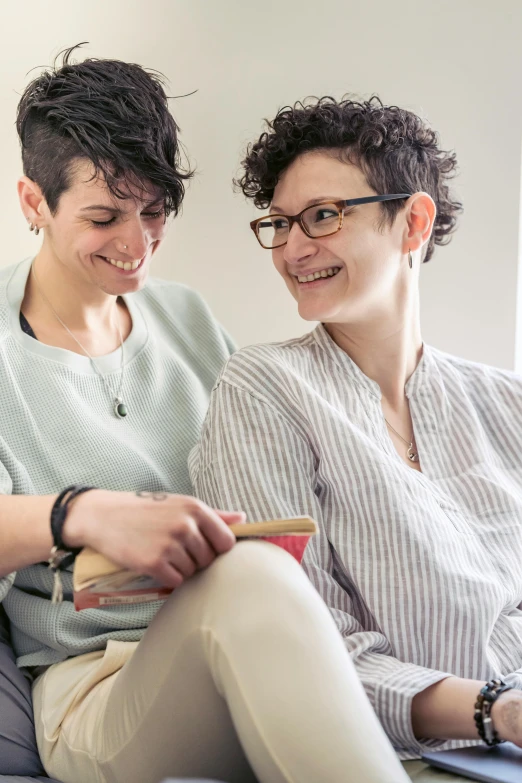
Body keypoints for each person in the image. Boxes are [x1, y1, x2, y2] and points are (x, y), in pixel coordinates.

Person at [0, 49, 410, 783]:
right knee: (249, 578)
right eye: (103, 217)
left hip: (248, 642)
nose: (137, 243)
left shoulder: (184, 317)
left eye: (154, 211)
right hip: (99, 683)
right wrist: (82, 513)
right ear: (34, 203)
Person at [190, 95, 522, 781]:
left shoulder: (505, 400)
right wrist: (497, 709)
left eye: (323, 216)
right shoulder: (264, 388)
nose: (292, 248)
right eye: (280, 224)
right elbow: (296, 651)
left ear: (413, 222)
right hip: (424, 755)